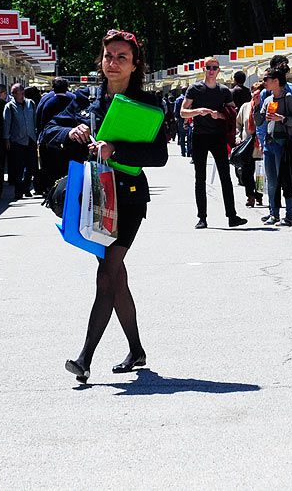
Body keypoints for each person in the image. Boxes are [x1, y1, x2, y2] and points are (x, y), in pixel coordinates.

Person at [64, 29, 169, 383]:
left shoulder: (150, 104)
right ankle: (136, 350)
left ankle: (84, 357)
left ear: (135, 64)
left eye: (122, 57)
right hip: (95, 197)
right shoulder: (88, 103)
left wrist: (116, 150)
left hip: (129, 197)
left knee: (107, 271)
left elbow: (159, 156)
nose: (113, 63)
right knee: (116, 276)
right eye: (108, 56)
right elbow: (49, 131)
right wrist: (72, 134)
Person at [181, 57, 246, 228]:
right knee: (199, 177)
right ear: (204, 69)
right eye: (209, 67)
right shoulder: (194, 88)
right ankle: (202, 217)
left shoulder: (224, 91)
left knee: (226, 177)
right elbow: (183, 112)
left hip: (218, 136)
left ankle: (232, 216)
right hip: (199, 136)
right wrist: (197, 111)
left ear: (218, 70)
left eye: (214, 68)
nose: (211, 70)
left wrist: (220, 115)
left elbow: (233, 114)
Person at [254, 68, 292, 225]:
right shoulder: (268, 100)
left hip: (283, 143)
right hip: (269, 143)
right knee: (272, 180)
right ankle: (273, 213)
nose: (264, 82)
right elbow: (259, 121)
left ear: (276, 81)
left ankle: (289, 216)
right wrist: (256, 105)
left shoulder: (288, 97)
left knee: (285, 180)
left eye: (267, 79)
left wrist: (282, 118)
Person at [3, 82, 38, 198]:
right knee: (18, 167)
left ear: (22, 93)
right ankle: (18, 191)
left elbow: (34, 119)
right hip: (17, 140)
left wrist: (36, 135)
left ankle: (26, 187)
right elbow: (6, 123)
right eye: (12, 93)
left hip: (31, 138)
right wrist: (6, 139)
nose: (13, 95)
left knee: (32, 166)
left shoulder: (30, 104)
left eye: (15, 92)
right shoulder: (9, 106)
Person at [235, 81, 265, 207]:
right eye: (253, 92)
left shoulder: (266, 106)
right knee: (246, 173)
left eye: (257, 93)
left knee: (259, 174)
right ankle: (250, 196)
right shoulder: (245, 107)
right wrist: (237, 137)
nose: (254, 95)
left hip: (260, 146)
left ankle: (259, 195)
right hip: (247, 145)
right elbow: (238, 125)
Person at [173, 87, 192, 157]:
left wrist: (177, 119)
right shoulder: (190, 99)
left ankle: (183, 152)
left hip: (181, 119)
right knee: (190, 136)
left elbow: (175, 111)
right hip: (190, 118)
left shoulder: (178, 99)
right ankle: (189, 152)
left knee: (182, 136)